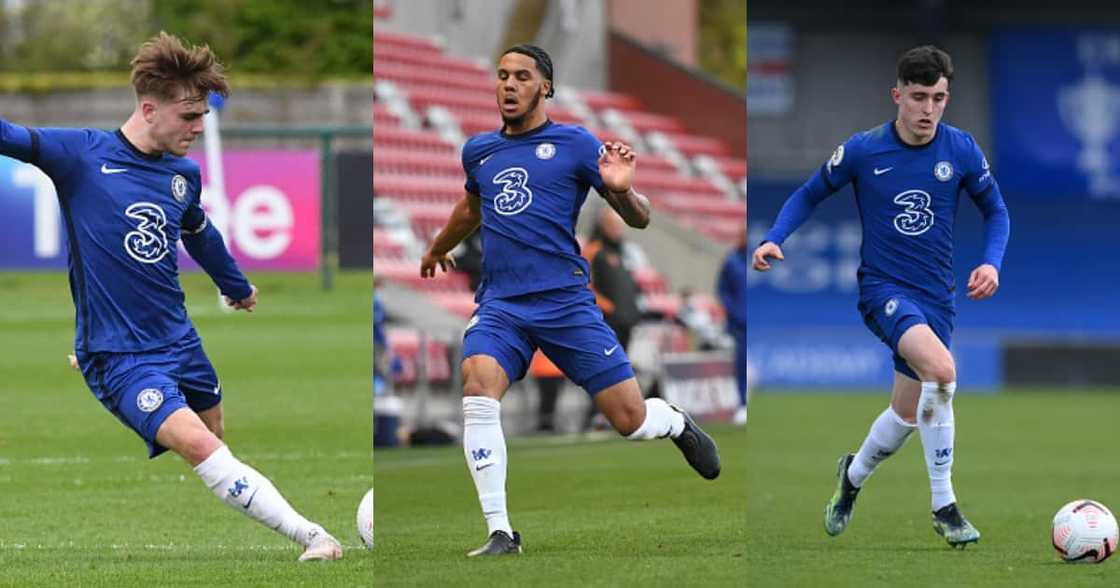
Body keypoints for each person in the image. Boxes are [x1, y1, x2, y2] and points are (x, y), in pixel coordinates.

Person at [0, 32, 341, 561]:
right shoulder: (81, 156)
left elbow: (199, 233)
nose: (199, 128)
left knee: (214, 433)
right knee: (201, 447)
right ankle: (314, 536)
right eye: (189, 116)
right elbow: (8, 136)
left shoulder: (183, 175)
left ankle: (92, 353)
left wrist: (236, 286)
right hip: (122, 356)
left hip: (181, 341)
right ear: (149, 108)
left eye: (203, 115)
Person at [420, 44, 721, 557]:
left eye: (521, 76)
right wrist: (436, 247)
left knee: (629, 421)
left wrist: (624, 191)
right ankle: (500, 531)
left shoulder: (576, 144)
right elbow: (471, 208)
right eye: (501, 76)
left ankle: (670, 419)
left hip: (565, 304)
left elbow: (639, 219)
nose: (509, 85)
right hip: (503, 305)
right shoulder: (479, 151)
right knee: (477, 385)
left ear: (546, 87)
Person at [752, 45, 1009, 548]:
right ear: (897, 96)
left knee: (907, 415)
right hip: (884, 291)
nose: (928, 110)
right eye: (918, 97)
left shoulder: (960, 149)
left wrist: (991, 262)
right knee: (944, 372)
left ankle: (851, 477)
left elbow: (996, 210)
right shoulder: (863, 150)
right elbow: (809, 192)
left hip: (939, 298)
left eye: (938, 98)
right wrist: (774, 237)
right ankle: (945, 506)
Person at [717, 225, 748, 425]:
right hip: (740, 324)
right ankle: (743, 404)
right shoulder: (731, 261)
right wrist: (733, 312)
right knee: (741, 364)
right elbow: (722, 291)